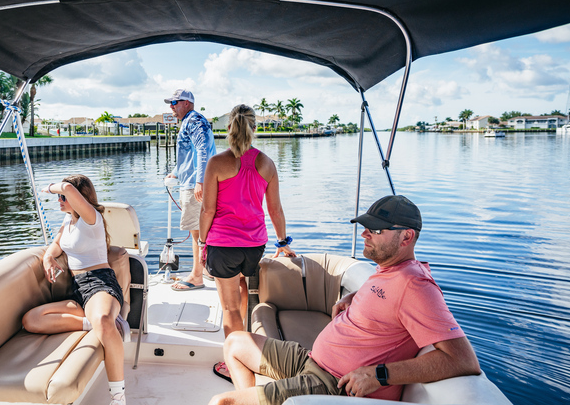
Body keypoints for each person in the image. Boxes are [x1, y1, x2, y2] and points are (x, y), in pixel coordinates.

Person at [209, 195, 481, 405]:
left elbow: (462, 360)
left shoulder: (416, 286)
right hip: (312, 360)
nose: (365, 234)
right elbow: (386, 302)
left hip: (333, 384)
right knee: (236, 343)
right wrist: (355, 296)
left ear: (406, 237)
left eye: (375, 230)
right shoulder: (388, 269)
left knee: (222, 402)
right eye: (366, 227)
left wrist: (379, 375)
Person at [199, 104, 295, 381]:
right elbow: (275, 210)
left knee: (228, 307)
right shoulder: (266, 163)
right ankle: (243, 341)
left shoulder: (217, 163)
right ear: (255, 129)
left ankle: (234, 363)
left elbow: (207, 211)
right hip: (255, 244)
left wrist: (203, 242)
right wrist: (282, 242)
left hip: (224, 244)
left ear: (229, 127)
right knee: (240, 284)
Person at [22, 174, 131, 405]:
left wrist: (50, 187)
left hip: (100, 283)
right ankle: (96, 323)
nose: (59, 199)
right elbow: (55, 246)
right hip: (78, 289)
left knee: (102, 318)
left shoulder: (92, 218)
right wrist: (48, 259)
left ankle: (118, 397)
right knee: (31, 320)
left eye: (63, 196)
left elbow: (69, 188)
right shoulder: (68, 221)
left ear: (79, 197)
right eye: (59, 196)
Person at [164, 88, 217, 291]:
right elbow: (189, 154)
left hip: (195, 184)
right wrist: (176, 172)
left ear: (187, 103)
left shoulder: (194, 120)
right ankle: (203, 270)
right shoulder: (190, 121)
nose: (171, 106)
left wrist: (200, 181)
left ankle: (196, 276)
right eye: (171, 103)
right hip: (190, 181)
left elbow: (202, 150)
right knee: (199, 231)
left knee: (197, 232)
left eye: (175, 102)